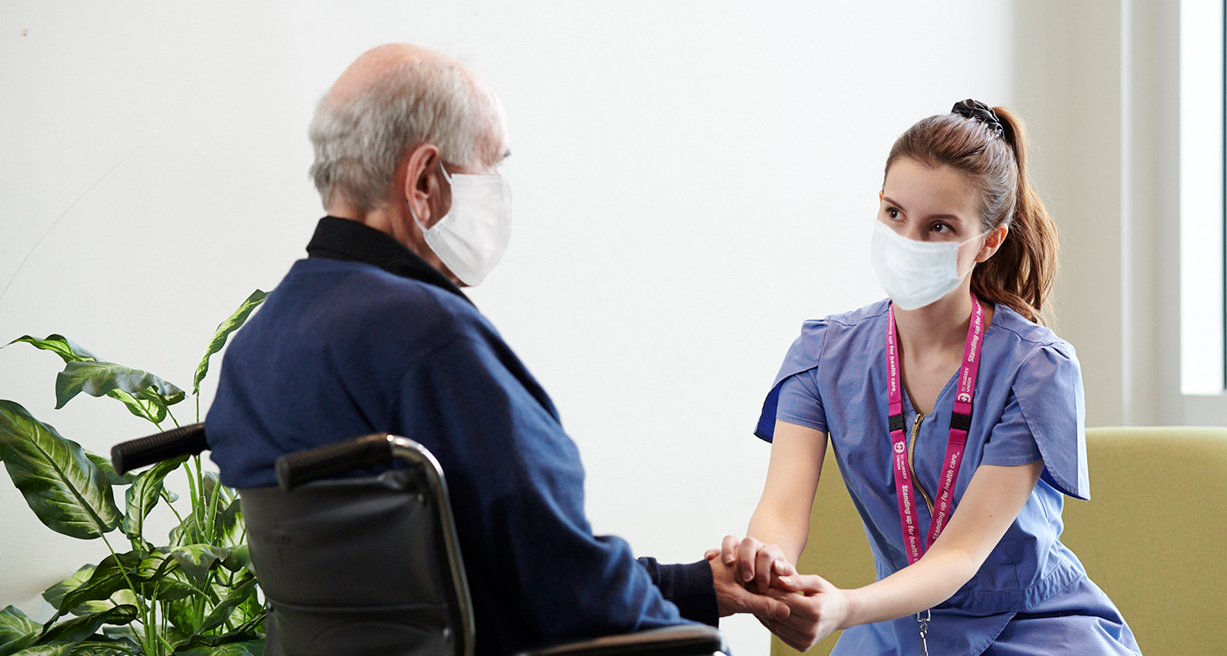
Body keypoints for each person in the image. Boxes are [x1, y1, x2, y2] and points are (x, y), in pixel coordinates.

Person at [202, 43, 787, 655]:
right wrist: (689, 639)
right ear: (426, 180)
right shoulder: (426, 339)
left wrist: (697, 586)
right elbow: (567, 592)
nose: (498, 191)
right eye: (489, 167)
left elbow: (483, 573)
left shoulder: (262, 341)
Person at [715, 101, 1142, 654]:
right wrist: (767, 565)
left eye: (939, 227)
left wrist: (845, 607)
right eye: (894, 214)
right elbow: (781, 507)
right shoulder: (822, 354)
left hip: (1031, 630)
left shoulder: (1036, 369)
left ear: (989, 242)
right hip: (892, 624)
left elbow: (960, 556)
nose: (908, 240)